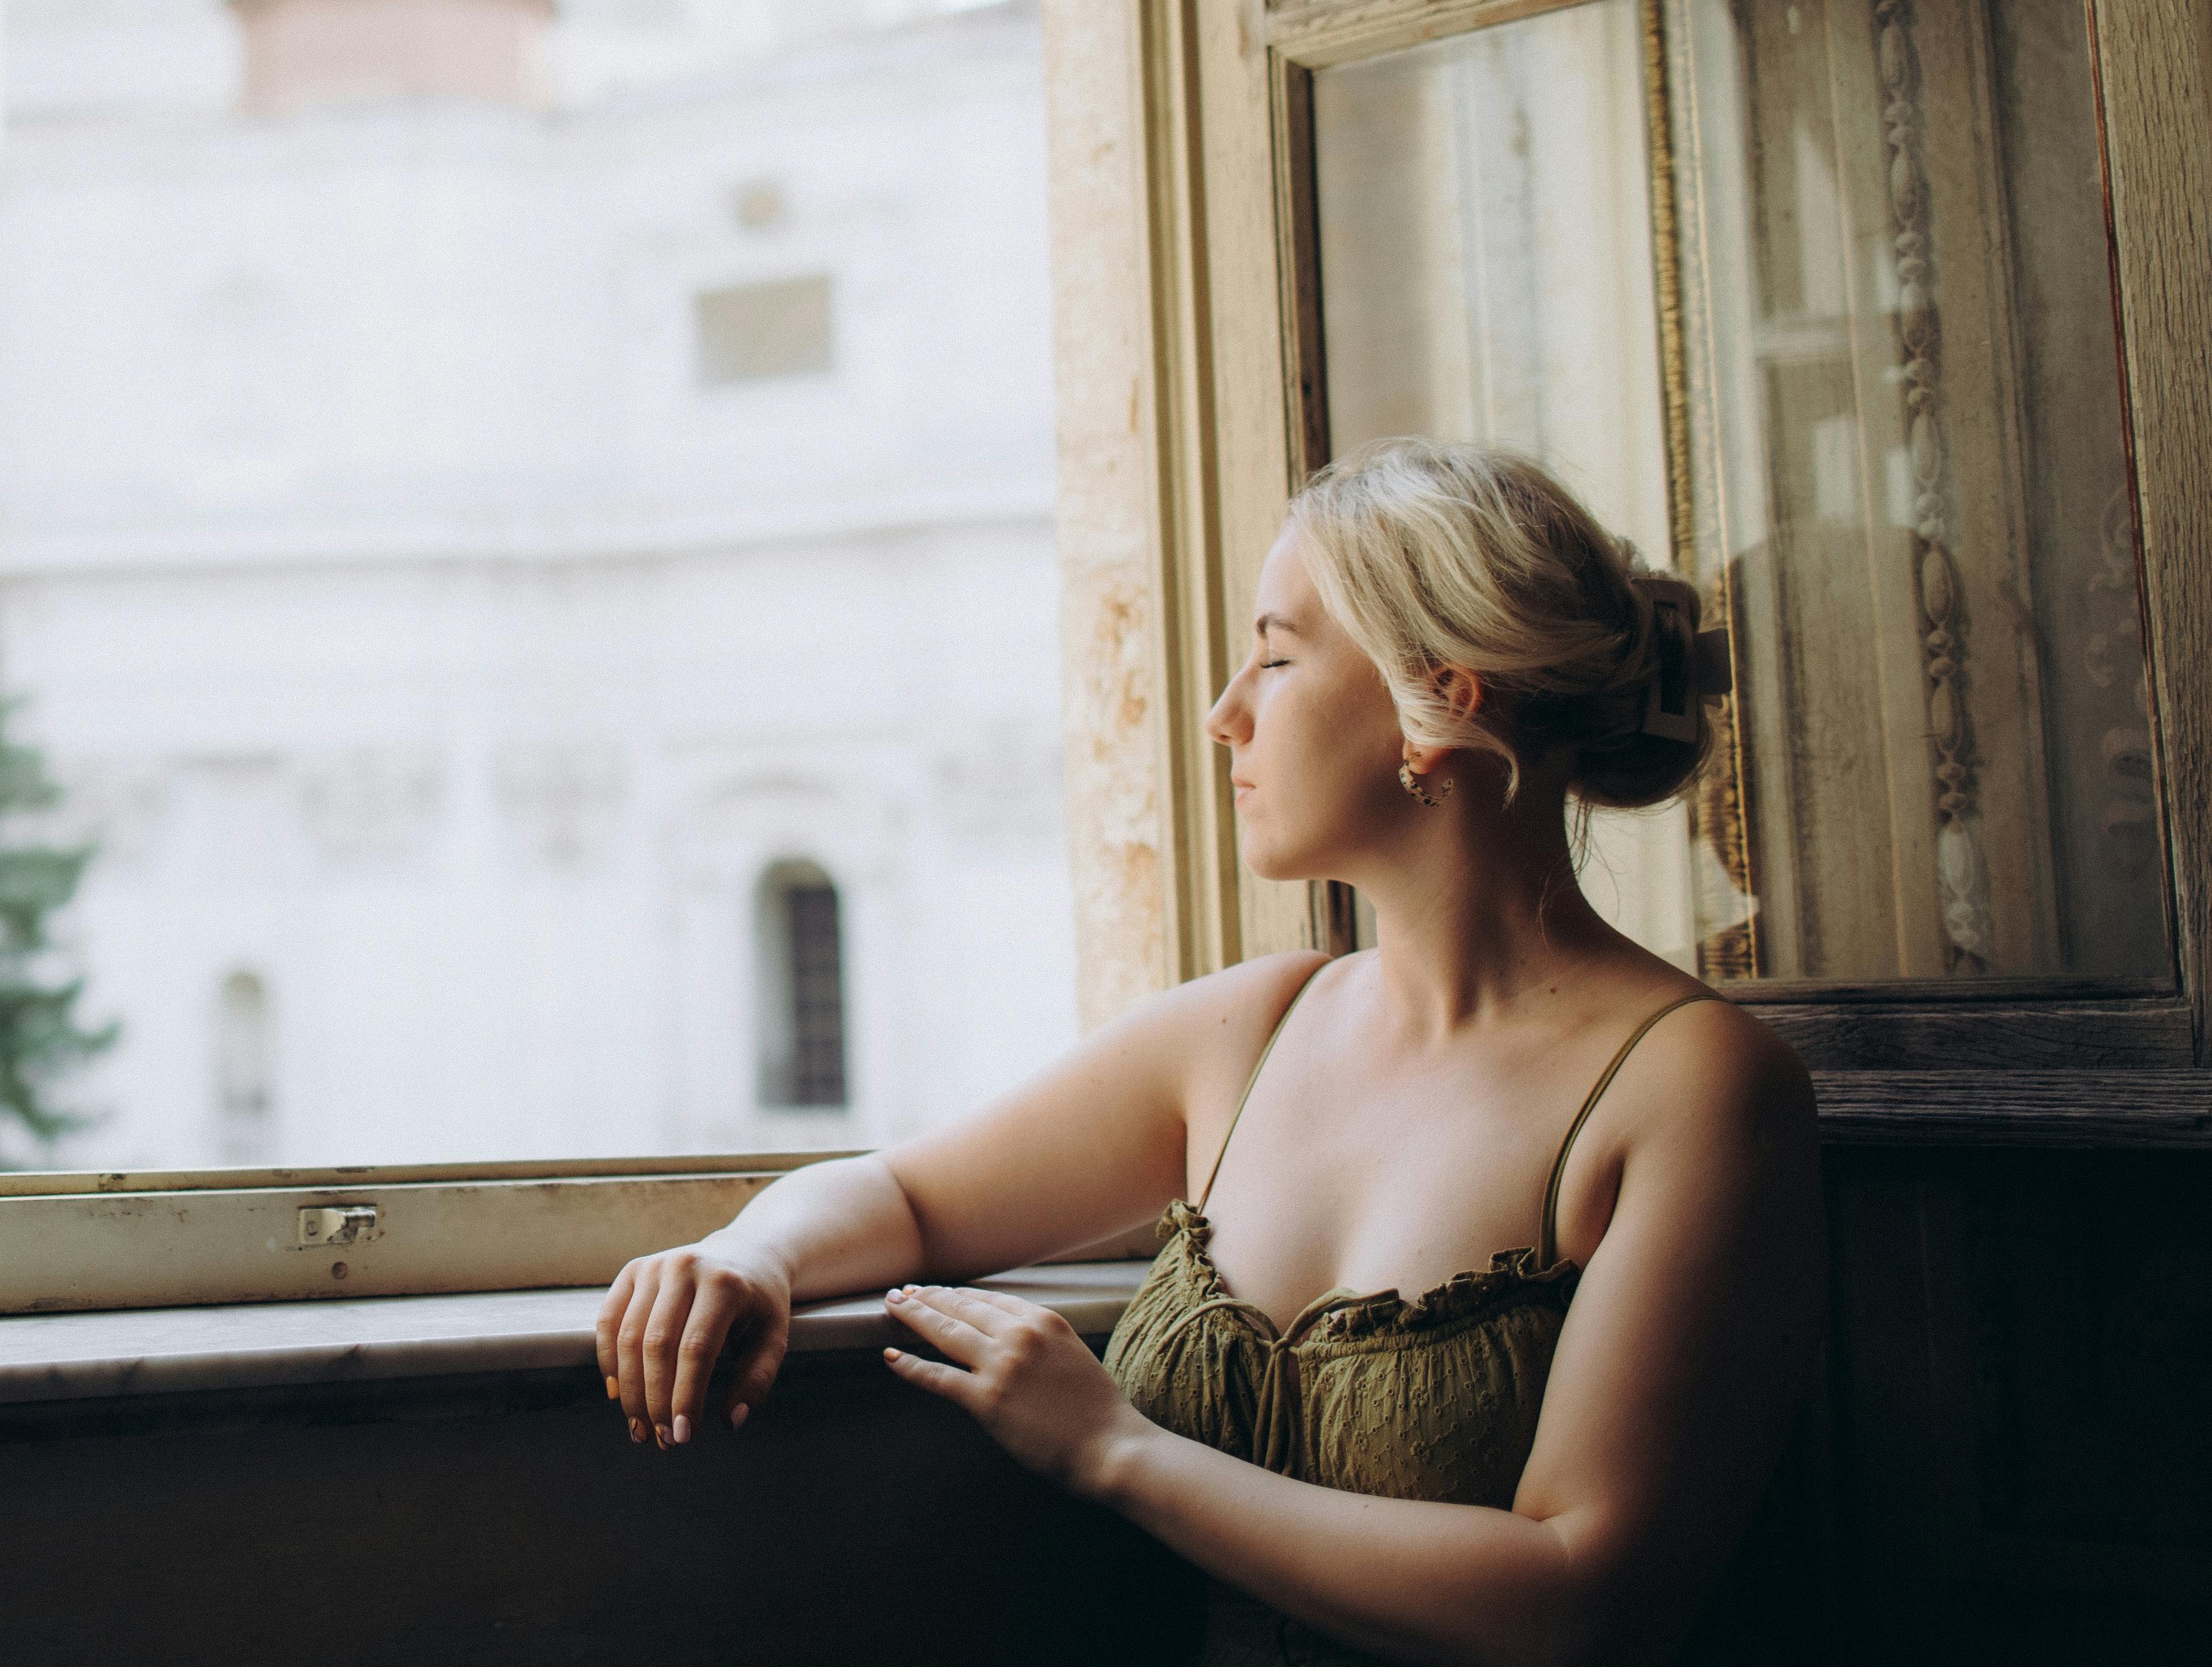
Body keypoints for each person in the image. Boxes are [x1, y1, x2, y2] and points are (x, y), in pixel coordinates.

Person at [596, 438, 1822, 1664]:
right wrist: (747, 1255)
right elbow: (905, 1193)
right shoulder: (1250, 1028)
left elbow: (1583, 1600)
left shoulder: (1694, 1087)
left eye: (1278, 659)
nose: (1225, 714)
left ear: (1445, 699)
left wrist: (1117, 1450)